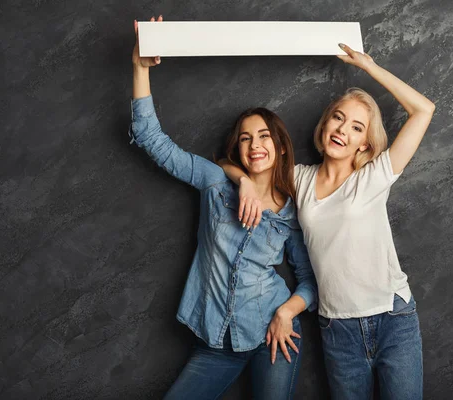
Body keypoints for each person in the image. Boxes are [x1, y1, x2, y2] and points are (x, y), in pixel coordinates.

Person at [221, 43, 435, 399]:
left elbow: (424, 110)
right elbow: (240, 162)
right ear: (325, 124)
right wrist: (242, 181)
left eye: (356, 127)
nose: (342, 130)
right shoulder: (299, 178)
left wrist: (370, 67)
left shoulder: (375, 176)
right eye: (338, 117)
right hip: (337, 329)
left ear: (364, 144)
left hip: (393, 319)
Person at [128, 16, 318, 400]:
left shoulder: (293, 212)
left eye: (264, 136)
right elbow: (152, 140)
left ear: (280, 146)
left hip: (273, 334)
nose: (255, 144)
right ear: (239, 149)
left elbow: (311, 279)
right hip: (216, 340)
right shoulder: (215, 183)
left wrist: (287, 313)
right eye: (246, 138)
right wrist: (138, 66)